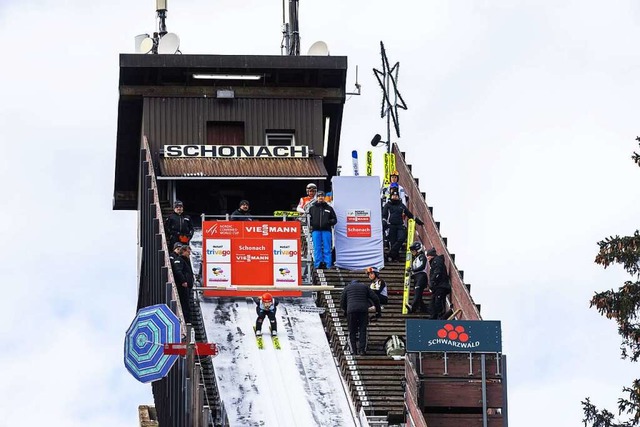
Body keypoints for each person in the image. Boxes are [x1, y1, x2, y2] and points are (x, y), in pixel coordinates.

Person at [340, 279, 381, 356]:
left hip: (351, 311)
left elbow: (342, 302)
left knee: (352, 331)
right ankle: (362, 351)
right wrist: (378, 312)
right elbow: (375, 298)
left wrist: (346, 311)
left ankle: (353, 351)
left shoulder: (347, 288)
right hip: (363, 311)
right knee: (363, 330)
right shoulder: (365, 287)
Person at [382, 191, 423, 262]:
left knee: (401, 238)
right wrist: (384, 222)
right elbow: (384, 215)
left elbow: (409, 214)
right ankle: (395, 257)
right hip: (391, 225)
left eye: (396, 196)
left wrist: (417, 220)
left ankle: (389, 255)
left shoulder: (401, 205)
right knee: (392, 242)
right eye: (393, 196)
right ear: (391, 196)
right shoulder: (387, 205)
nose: (395, 197)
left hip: (400, 225)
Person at [308, 191, 337, 269]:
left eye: (322, 196)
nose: (320, 197)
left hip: (326, 231)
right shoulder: (312, 208)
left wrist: (328, 222)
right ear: (317, 197)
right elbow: (308, 219)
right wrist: (313, 223)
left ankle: (328, 264)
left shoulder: (329, 208)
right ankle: (318, 264)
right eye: (319, 196)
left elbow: (334, 219)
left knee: (327, 248)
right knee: (317, 248)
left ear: (324, 197)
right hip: (316, 230)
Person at [426, 247, 451, 320]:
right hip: (437, 287)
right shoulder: (435, 262)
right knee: (432, 304)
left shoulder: (437, 261)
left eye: (428, 256)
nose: (427, 258)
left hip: (441, 287)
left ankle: (439, 317)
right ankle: (433, 317)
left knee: (438, 302)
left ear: (431, 255)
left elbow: (438, 272)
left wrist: (433, 281)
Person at [172, 245, 194, 323]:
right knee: (184, 305)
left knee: (187, 305)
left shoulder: (185, 261)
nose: (189, 254)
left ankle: (187, 321)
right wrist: (183, 281)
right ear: (184, 251)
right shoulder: (179, 260)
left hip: (187, 287)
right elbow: (178, 271)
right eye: (188, 252)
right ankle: (185, 321)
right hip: (182, 287)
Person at [406, 242, 430, 314]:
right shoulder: (415, 259)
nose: (412, 252)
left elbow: (422, 266)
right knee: (418, 295)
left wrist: (413, 270)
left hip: (421, 276)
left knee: (417, 293)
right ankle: (425, 310)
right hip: (416, 277)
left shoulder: (422, 256)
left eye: (413, 251)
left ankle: (412, 308)